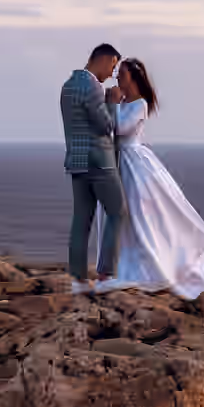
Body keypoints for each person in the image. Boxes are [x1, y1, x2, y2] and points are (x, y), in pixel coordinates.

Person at [95, 57, 204, 298]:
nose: (117, 77)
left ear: (133, 77)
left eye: (122, 73)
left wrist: (111, 103)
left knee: (142, 216)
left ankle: (154, 264)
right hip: (117, 163)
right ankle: (114, 267)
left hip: (134, 164)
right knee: (119, 217)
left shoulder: (139, 104)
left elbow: (119, 129)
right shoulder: (121, 103)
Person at [60, 43, 127, 291]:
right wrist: (112, 101)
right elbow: (105, 126)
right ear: (104, 58)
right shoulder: (92, 87)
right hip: (100, 162)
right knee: (118, 212)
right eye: (112, 66)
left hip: (77, 162)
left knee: (81, 221)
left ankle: (78, 280)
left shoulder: (68, 86)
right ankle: (106, 275)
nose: (112, 73)